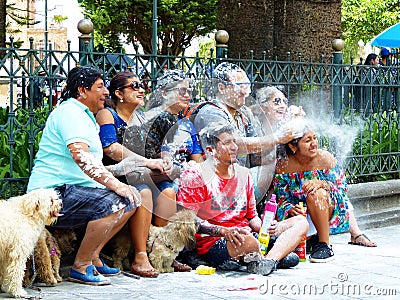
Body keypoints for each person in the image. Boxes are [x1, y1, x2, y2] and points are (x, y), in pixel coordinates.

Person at [27, 66, 141, 285]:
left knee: (132, 199)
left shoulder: (86, 116)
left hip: (75, 189)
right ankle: (80, 267)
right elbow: (81, 156)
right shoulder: (69, 112)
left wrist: (123, 177)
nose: (106, 92)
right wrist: (116, 186)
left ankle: (92, 256)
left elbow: (93, 164)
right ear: (82, 90)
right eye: (100, 87)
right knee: (114, 202)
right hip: (53, 192)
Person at [177, 122, 309, 276]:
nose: (234, 147)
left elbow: (252, 217)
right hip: (216, 242)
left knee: (300, 222)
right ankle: (272, 256)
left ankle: (268, 261)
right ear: (210, 150)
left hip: (248, 236)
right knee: (253, 245)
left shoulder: (244, 174)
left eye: (234, 142)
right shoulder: (196, 175)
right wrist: (223, 231)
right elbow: (186, 220)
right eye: (227, 143)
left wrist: (266, 227)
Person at [256, 86, 377, 248]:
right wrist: (289, 208)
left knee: (321, 190)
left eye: (284, 100)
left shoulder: (292, 127)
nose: (282, 105)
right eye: (276, 101)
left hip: (313, 200)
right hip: (266, 183)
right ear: (263, 107)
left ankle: (351, 235)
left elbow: (340, 190)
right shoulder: (256, 126)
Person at [96, 71, 183, 275]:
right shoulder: (108, 114)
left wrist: (166, 159)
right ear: (119, 93)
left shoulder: (141, 117)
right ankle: (140, 257)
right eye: (134, 86)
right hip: (119, 175)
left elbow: (161, 144)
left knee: (168, 192)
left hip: (144, 173)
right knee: (143, 192)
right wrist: (147, 161)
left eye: (142, 85)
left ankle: (162, 253)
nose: (141, 89)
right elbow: (110, 148)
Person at [193, 62, 295, 202]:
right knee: (271, 170)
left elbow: (259, 148)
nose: (244, 92)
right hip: (216, 182)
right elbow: (236, 145)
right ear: (221, 88)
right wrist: (277, 138)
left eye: (246, 86)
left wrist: (289, 124)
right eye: (239, 86)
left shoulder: (242, 114)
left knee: (284, 166)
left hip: (238, 177)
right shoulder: (211, 112)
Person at [273, 121, 352, 262]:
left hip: (327, 210)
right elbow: (280, 198)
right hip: (301, 217)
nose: (314, 143)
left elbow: (342, 189)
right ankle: (309, 239)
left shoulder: (325, 158)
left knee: (315, 194)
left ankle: (324, 244)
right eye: (308, 140)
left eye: (315, 138)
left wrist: (322, 184)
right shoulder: (283, 166)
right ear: (292, 146)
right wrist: (290, 209)